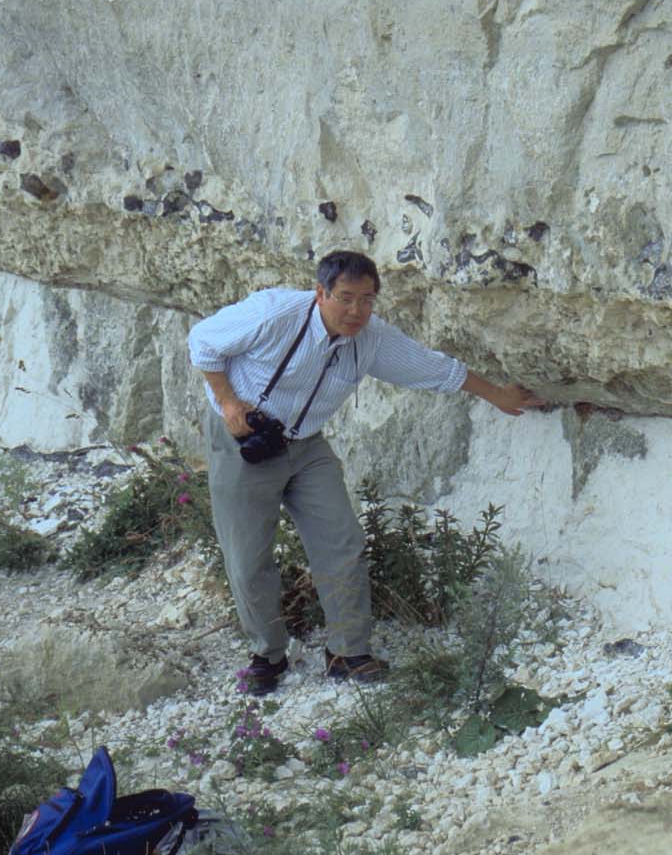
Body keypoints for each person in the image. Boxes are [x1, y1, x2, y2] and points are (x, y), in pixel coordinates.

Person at [187, 250, 543, 694]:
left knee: (343, 542)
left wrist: (497, 395)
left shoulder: (370, 337)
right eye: (346, 298)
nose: (357, 311)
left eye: (368, 300)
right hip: (243, 442)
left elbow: (430, 366)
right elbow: (202, 342)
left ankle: (347, 653)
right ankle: (267, 656)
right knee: (247, 558)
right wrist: (228, 403)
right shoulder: (274, 314)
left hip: (306, 444)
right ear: (321, 293)